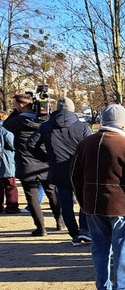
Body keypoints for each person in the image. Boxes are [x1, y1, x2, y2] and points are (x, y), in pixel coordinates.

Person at [71, 104, 125, 290]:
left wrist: (83, 201)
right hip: (123, 207)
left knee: (100, 249)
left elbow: (74, 176)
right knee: (123, 248)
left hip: (93, 206)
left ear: (102, 120)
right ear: (124, 123)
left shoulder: (85, 143)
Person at [29, 97, 93, 245]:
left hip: (58, 170)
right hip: (80, 169)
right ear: (72, 109)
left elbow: (31, 144)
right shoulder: (82, 127)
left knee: (66, 204)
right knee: (84, 201)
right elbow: (91, 147)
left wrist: (46, 158)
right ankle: (85, 230)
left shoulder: (46, 126)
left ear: (57, 108)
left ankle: (74, 234)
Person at [3, 93, 61, 235]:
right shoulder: (44, 120)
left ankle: (41, 228)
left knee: (32, 196)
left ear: (21, 105)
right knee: (52, 192)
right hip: (44, 159)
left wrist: (16, 112)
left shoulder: (16, 122)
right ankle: (60, 221)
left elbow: (6, 124)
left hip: (26, 161)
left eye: (15, 105)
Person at [0, 111, 20, 213]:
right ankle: (12, 207)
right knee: (10, 185)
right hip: (5, 160)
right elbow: (12, 144)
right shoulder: (5, 130)